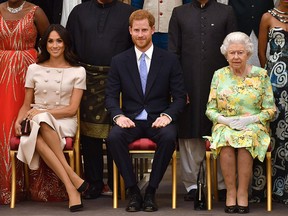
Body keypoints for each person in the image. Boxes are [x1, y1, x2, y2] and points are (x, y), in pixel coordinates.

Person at [105, 9, 186, 212]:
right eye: (136, 30)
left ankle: (151, 191)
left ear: (152, 30)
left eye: (144, 30)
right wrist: (118, 116)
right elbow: (111, 97)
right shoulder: (119, 61)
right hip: (130, 120)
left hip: (158, 119)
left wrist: (167, 116)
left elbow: (179, 98)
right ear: (130, 31)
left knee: (169, 136)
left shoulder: (169, 60)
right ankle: (133, 190)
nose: (140, 35)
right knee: (114, 137)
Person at [168, 0, 237, 202]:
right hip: (187, 81)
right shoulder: (179, 13)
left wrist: (231, 86)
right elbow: (173, 53)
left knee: (219, 130)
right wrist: (177, 88)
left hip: (220, 83)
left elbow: (232, 51)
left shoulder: (226, 11)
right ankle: (191, 184)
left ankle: (222, 183)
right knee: (189, 131)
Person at [66, 0, 135, 199]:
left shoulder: (129, 12)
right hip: (86, 78)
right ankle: (94, 183)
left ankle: (118, 182)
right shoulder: (79, 12)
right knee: (89, 134)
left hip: (119, 79)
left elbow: (136, 47)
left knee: (117, 131)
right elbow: (69, 45)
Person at [15, 24, 88, 212]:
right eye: (50, 41)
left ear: (65, 44)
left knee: (39, 125)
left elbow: (72, 109)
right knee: (37, 128)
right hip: (36, 118)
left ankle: (71, 184)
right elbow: (26, 104)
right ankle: (72, 183)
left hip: (64, 120)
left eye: (59, 41)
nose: (54, 45)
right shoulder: (33, 68)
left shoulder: (78, 71)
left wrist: (42, 113)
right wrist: (18, 120)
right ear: (45, 44)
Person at [205, 31, 276, 213]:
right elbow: (210, 110)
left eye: (240, 52)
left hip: (253, 125)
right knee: (227, 139)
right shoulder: (219, 75)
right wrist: (225, 120)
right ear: (226, 54)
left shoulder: (261, 75)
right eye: (232, 53)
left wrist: (251, 119)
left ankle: (243, 192)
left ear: (248, 54)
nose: (236, 57)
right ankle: (231, 192)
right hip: (225, 123)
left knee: (246, 139)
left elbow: (270, 110)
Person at [0, 0, 49, 204]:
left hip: (29, 70)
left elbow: (48, 41)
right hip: (2, 70)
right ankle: (8, 185)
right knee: (4, 121)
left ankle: (35, 184)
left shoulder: (36, 12)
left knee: (28, 121)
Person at [257, 0, 288, 204]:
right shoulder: (267, 17)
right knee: (276, 131)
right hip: (276, 82)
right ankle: (274, 188)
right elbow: (261, 52)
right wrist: (269, 78)